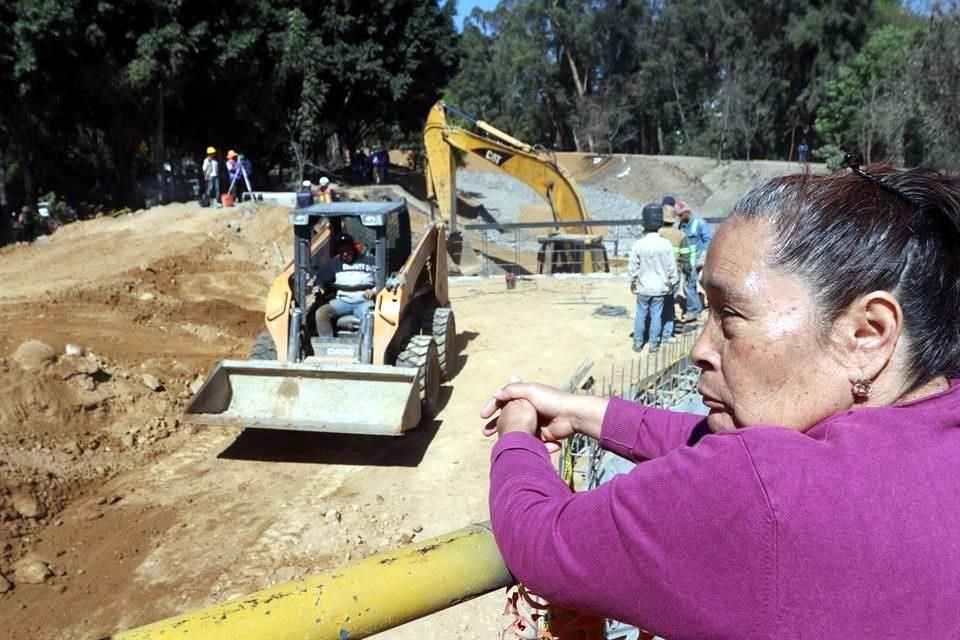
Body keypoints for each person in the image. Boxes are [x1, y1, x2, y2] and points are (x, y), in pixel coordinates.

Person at [481, 163, 960, 638]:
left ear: (865, 333)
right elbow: (734, 450)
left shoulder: (770, 499)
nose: (700, 349)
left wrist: (516, 433)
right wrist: (581, 411)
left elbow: (543, 540)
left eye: (729, 315)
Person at [627, 203, 678, 353]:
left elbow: (633, 266)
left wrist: (632, 280)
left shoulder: (639, 244)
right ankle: (654, 345)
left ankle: (638, 343)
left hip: (643, 287)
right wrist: (672, 281)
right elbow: (671, 267)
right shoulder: (665, 244)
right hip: (659, 288)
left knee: (641, 315)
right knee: (656, 316)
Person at [313, 233, 378, 337]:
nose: (345, 254)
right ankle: (328, 343)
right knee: (321, 313)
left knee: (368, 316)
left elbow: (382, 281)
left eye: (347, 250)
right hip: (343, 301)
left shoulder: (370, 261)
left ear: (354, 247)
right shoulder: (334, 263)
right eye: (342, 251)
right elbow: (321, 278)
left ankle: (363, 345)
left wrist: (373, 291)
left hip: (365, 301)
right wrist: (318, 286)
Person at [658, 202, 693, 343]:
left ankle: (655, 330)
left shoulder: (656, 234)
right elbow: (685, 257)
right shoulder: (681, 235)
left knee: (656, 303)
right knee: (669, 303)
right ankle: (667, 333)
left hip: (656, 273)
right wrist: (688, 272)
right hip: (674, 274)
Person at [674, 199, 711, 321]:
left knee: (688, 285)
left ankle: (693, 310)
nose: (679, 218)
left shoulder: (699, 223)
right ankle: (696, 307)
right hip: (686, 259)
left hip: (696, 259)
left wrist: (702, 259)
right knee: (689, 285)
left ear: (686, 212)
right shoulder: (682, 225)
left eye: (680, 215)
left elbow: (708, 240)